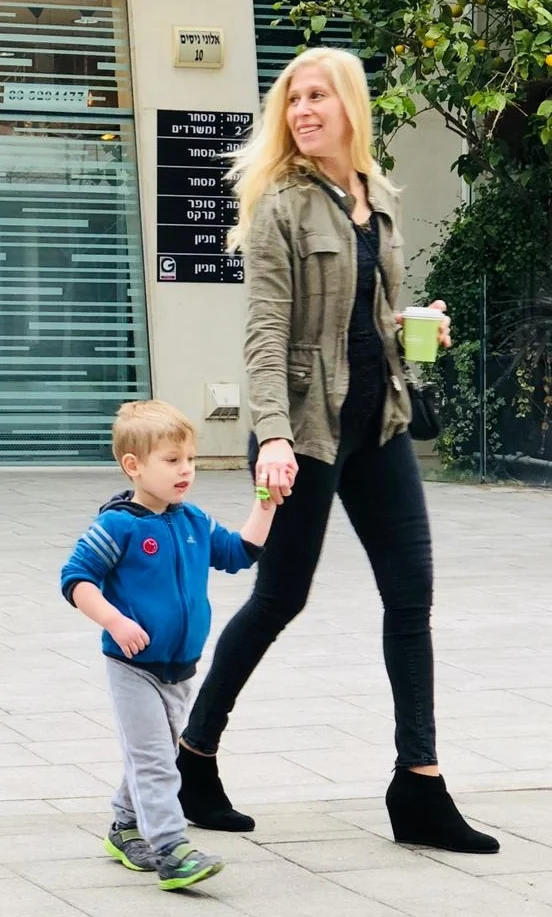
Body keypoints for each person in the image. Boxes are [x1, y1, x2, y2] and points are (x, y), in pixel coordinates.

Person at [173, 46, 499, 855]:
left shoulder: (373, 198)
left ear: (352, 106)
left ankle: (418, 784)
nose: (304, 109)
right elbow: (265, 334)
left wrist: (416, 319)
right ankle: (194, 757)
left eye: (319, 95)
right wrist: (273, 437)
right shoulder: (280, 205)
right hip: (304, 431)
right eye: (293, 99)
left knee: (411, 595)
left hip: (378, 420)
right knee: (280, 597)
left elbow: (370, 313)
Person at [60, 401, 275, 890]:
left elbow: (240, 553)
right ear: (133, 466)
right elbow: (76, 579)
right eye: (172, 460)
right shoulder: (119, 526)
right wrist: (115, 621)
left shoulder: (193, 521)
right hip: (133, 667)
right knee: (157, 759)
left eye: (191, 460)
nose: (186, 471)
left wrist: (265, 506)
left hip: (181, 670)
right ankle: (172, 848)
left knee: (151, 754)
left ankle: (124, 825)